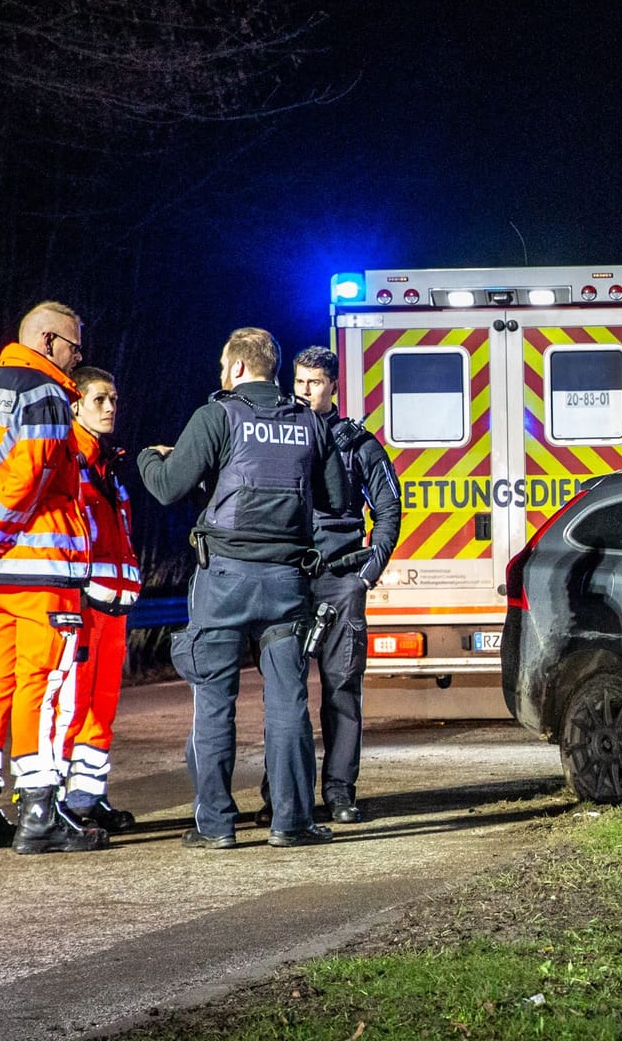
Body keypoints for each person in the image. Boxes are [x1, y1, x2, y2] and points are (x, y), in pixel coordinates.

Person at [138, 327, 350, 850]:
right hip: (286, 584)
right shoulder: (307, 421)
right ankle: (291, 821)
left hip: (225, 581)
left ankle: (215, 826)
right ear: (274, 369)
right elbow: (337, 497)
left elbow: (168, 487)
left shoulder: (217, 415)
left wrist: (149, 456)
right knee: (288, 703)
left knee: (213, 700)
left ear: (234, 369)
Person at [0, 301, 107, 853]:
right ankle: (39, 812)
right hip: (41, 566)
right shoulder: (45, 393)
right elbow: (28, 475)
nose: (77, 358)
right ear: (50, 340)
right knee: (47, 685)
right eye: (75, 347)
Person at [284, 346, 401, 824]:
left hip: (341, 579)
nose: (304, 391)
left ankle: (338, 792)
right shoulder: (280, 435)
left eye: (313, 383)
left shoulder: (359, 444)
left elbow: (389, 509)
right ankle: (284, 794)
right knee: (285, 694)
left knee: (341, 690)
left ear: (334, 385)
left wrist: (368, 572)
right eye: (299, 382)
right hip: (289, 579)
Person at [62, 366, 141, 833]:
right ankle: (56, 800)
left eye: (113, 399)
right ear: (76, 405)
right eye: (99, 400)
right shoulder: (70, 460)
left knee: (102, 706)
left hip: (114, 604)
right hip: (81, 604)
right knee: (71, 704)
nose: (110, 407)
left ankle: (88, 797)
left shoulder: (107, 464)